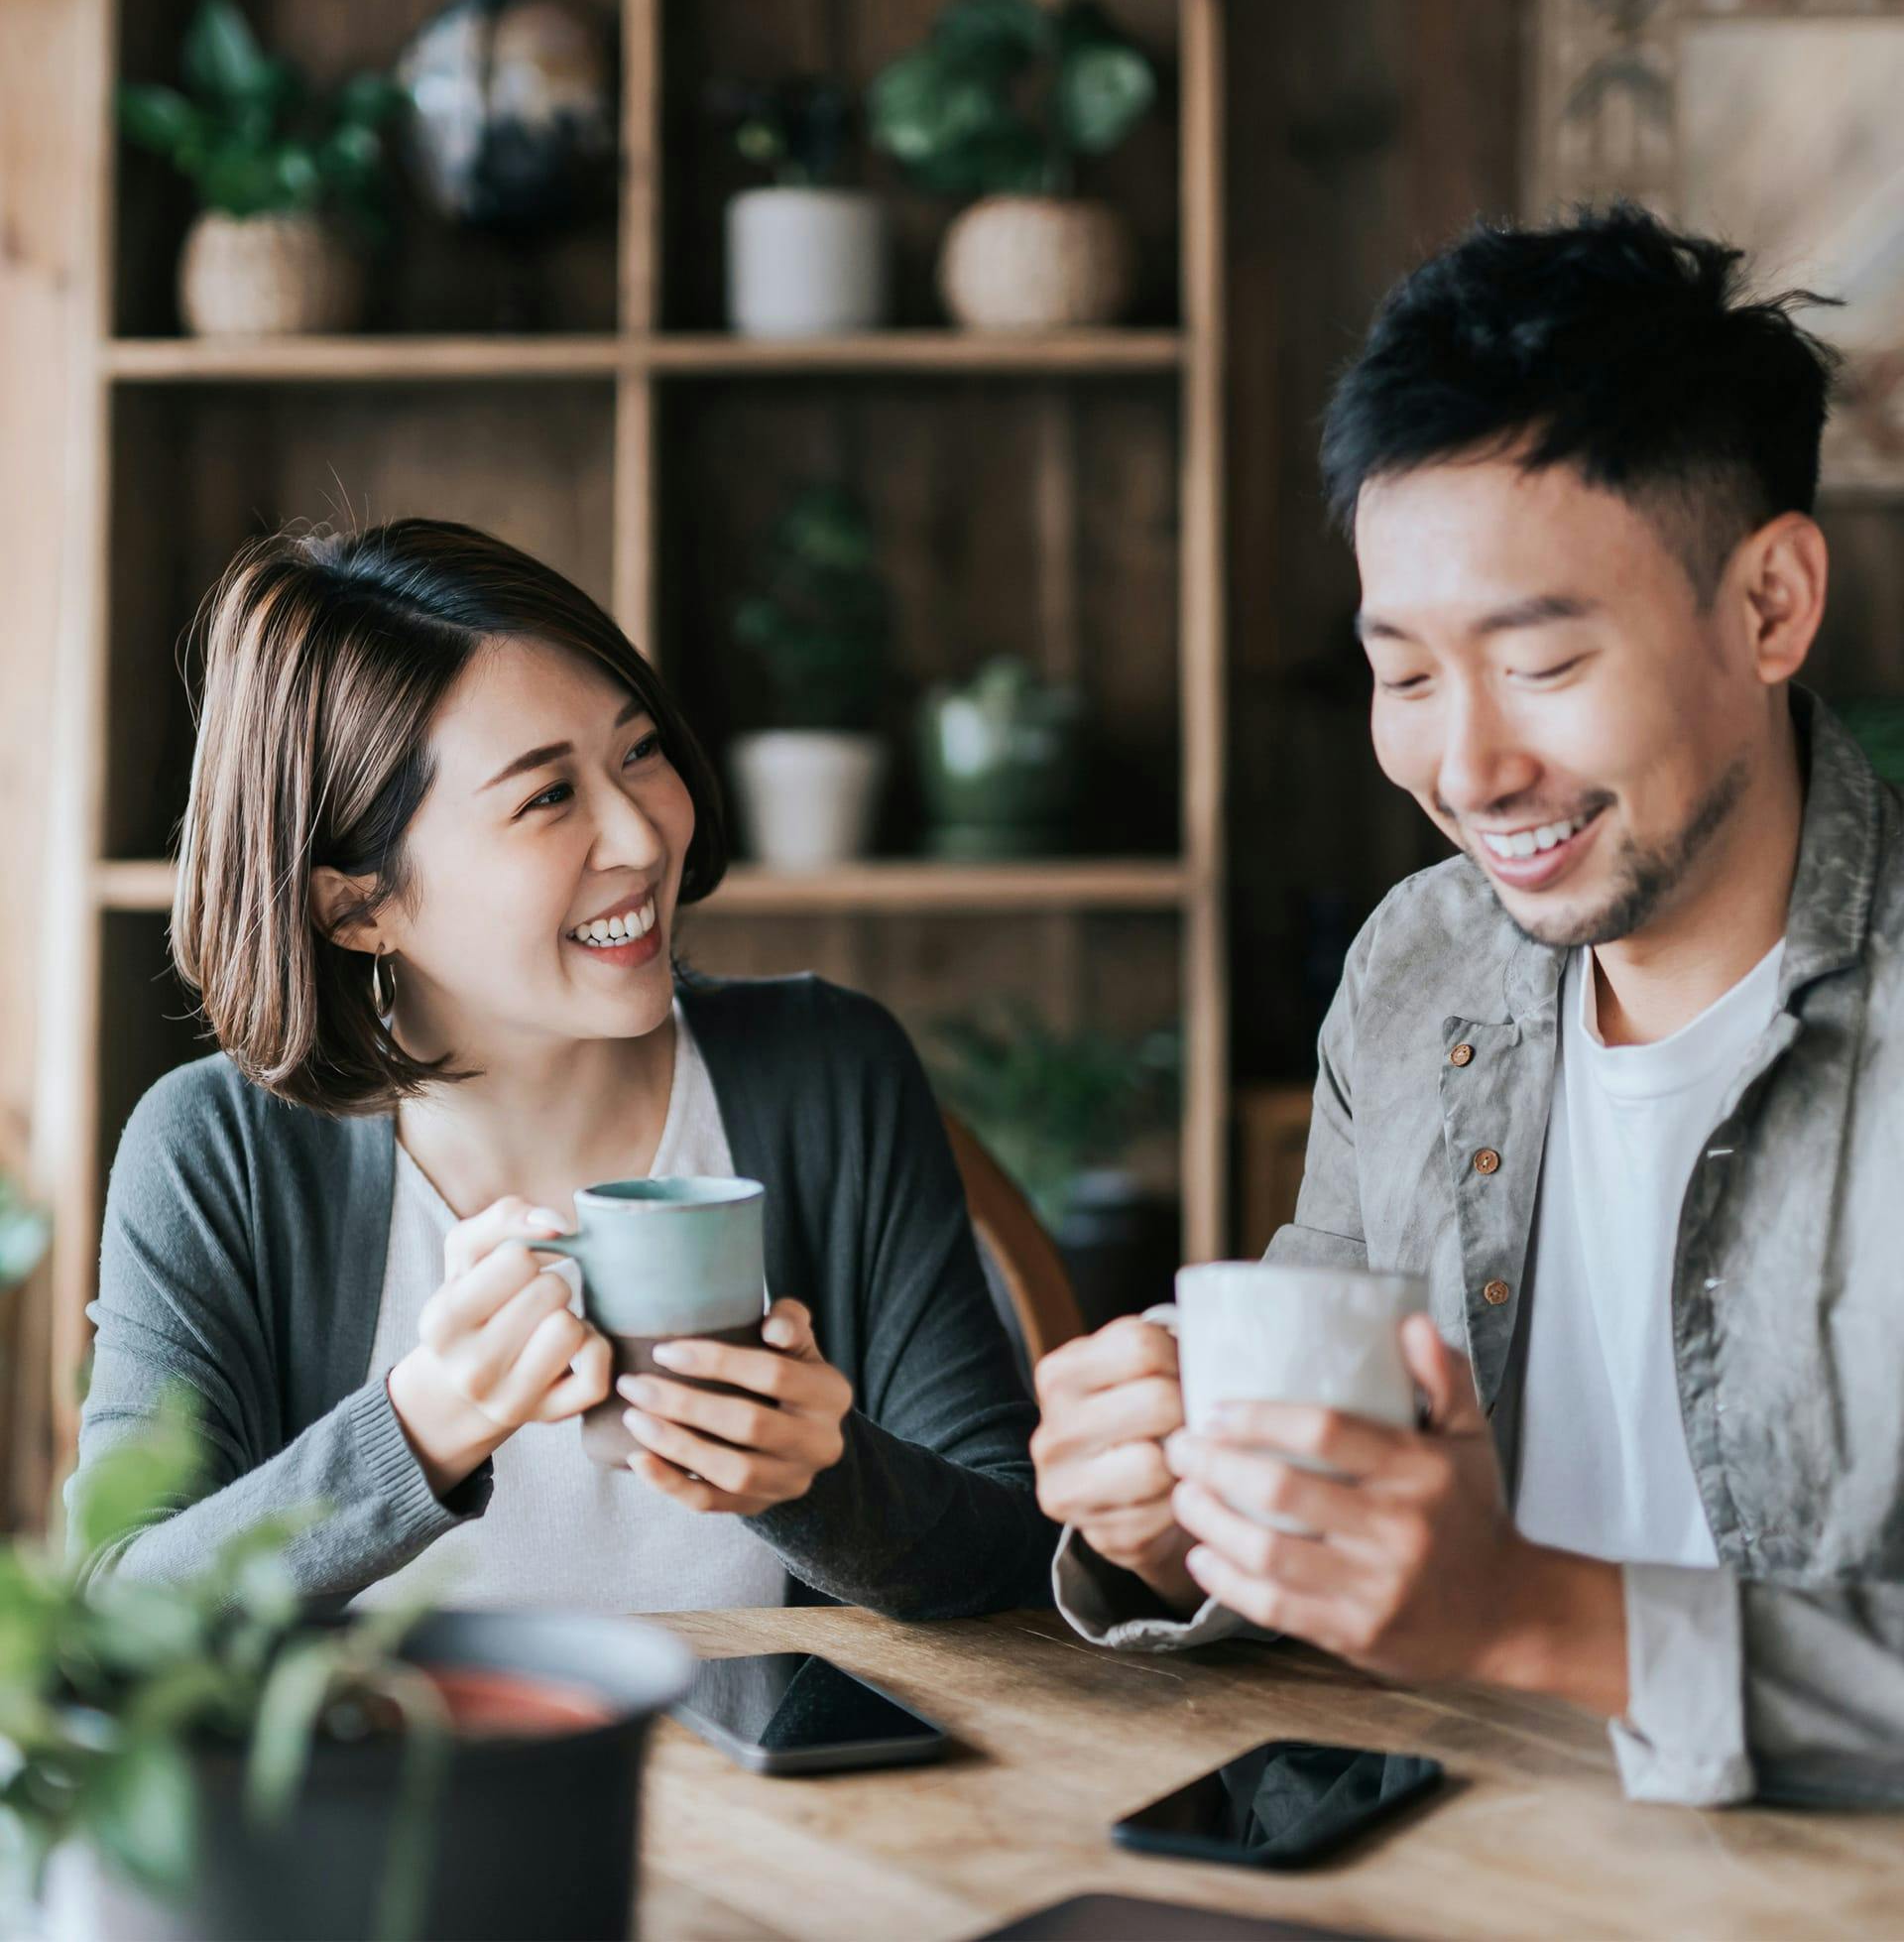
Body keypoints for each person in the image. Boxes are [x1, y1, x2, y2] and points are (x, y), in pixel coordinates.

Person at [1031, 205, 1904, 1807]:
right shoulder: (1415, 968)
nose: (1468, 766)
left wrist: (1548, 1620)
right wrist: (1168, 1527)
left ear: (1772, 604)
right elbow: (1316, 1502)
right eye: (1410, 674)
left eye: (1544, 662)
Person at [70, 519, 1052, 1619]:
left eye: (637, 751)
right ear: (357, 905)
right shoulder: (217, 1153)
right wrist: (421, 1427)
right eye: (546, 797)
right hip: (390, 1796)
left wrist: (819, 1482)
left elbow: (1022, 1560)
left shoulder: (831, 1073)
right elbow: (112, 1618)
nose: (639, 832)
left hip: (792, 1800)